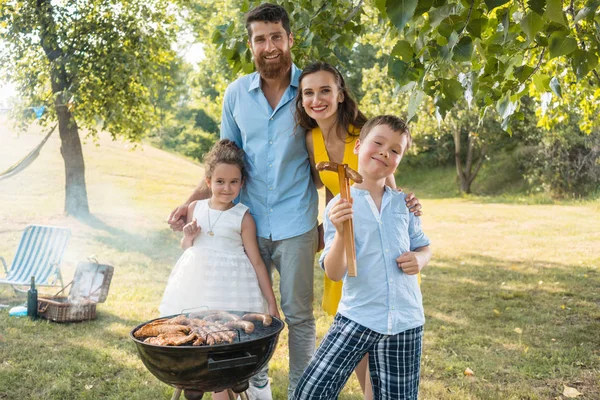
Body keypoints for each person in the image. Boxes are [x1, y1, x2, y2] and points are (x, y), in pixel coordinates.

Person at [168, 4, 422, 398]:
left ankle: (302, 393)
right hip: (248, 224)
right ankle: (254, 386)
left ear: (289, 39)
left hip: (297, 227)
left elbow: (353, 164)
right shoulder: (237, 94)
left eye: (275, 36)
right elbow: (226, 158)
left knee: (302, 317)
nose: (268, 46)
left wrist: (343, 221)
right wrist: (192, 200)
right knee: (248, 310)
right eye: (259, 39)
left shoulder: (310, 90)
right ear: (251, 44)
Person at [295, 61, 422, 399]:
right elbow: (329, 186)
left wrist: (407, 208)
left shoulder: (363, 135)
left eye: (326, 90)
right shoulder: (311, 139)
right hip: (344, 233)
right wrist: (329, 225)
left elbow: (385, 182)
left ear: (340, 95)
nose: (317, 99)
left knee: (377, 343)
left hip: (374, 246)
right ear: (302, 99)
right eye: (309, 92)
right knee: (356, 336)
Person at [160, 140, 280, 400]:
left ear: (242, 183)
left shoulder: (243, 216)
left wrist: (271, 303)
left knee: (226, 347)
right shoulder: (195, 208)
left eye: (234, 182)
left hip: (232, 290)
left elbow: (257, 261)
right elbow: (187, 246)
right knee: (197, 339)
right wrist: (189, 235)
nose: (227, 188)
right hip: (198, 285)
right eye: (220, 181)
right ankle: (197, 382)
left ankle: (225, 390)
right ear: (208, 180)